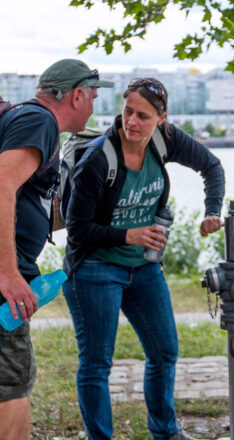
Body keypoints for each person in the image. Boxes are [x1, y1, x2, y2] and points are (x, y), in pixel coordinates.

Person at [62, 77, 224, 440]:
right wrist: (128, 234)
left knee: (165, 351)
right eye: (128, 112)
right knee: (96, 364)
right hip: (94, 269)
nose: (132, 122)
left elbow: (212, 166)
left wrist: (212, 211)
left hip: (144, 266)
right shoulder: (97, 160)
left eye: (144, 116)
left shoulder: (167, 139)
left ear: (162, 119)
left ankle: (165, 433)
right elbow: (77, 230)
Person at [0, 59, 114, 440]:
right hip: (2, 281)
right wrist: (9, 274)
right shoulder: (41, 123)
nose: (95, 106)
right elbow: (2, 186)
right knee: (10, 383)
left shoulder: (22, 118)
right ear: (76, 95)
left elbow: (25, 197)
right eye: (94, 96)